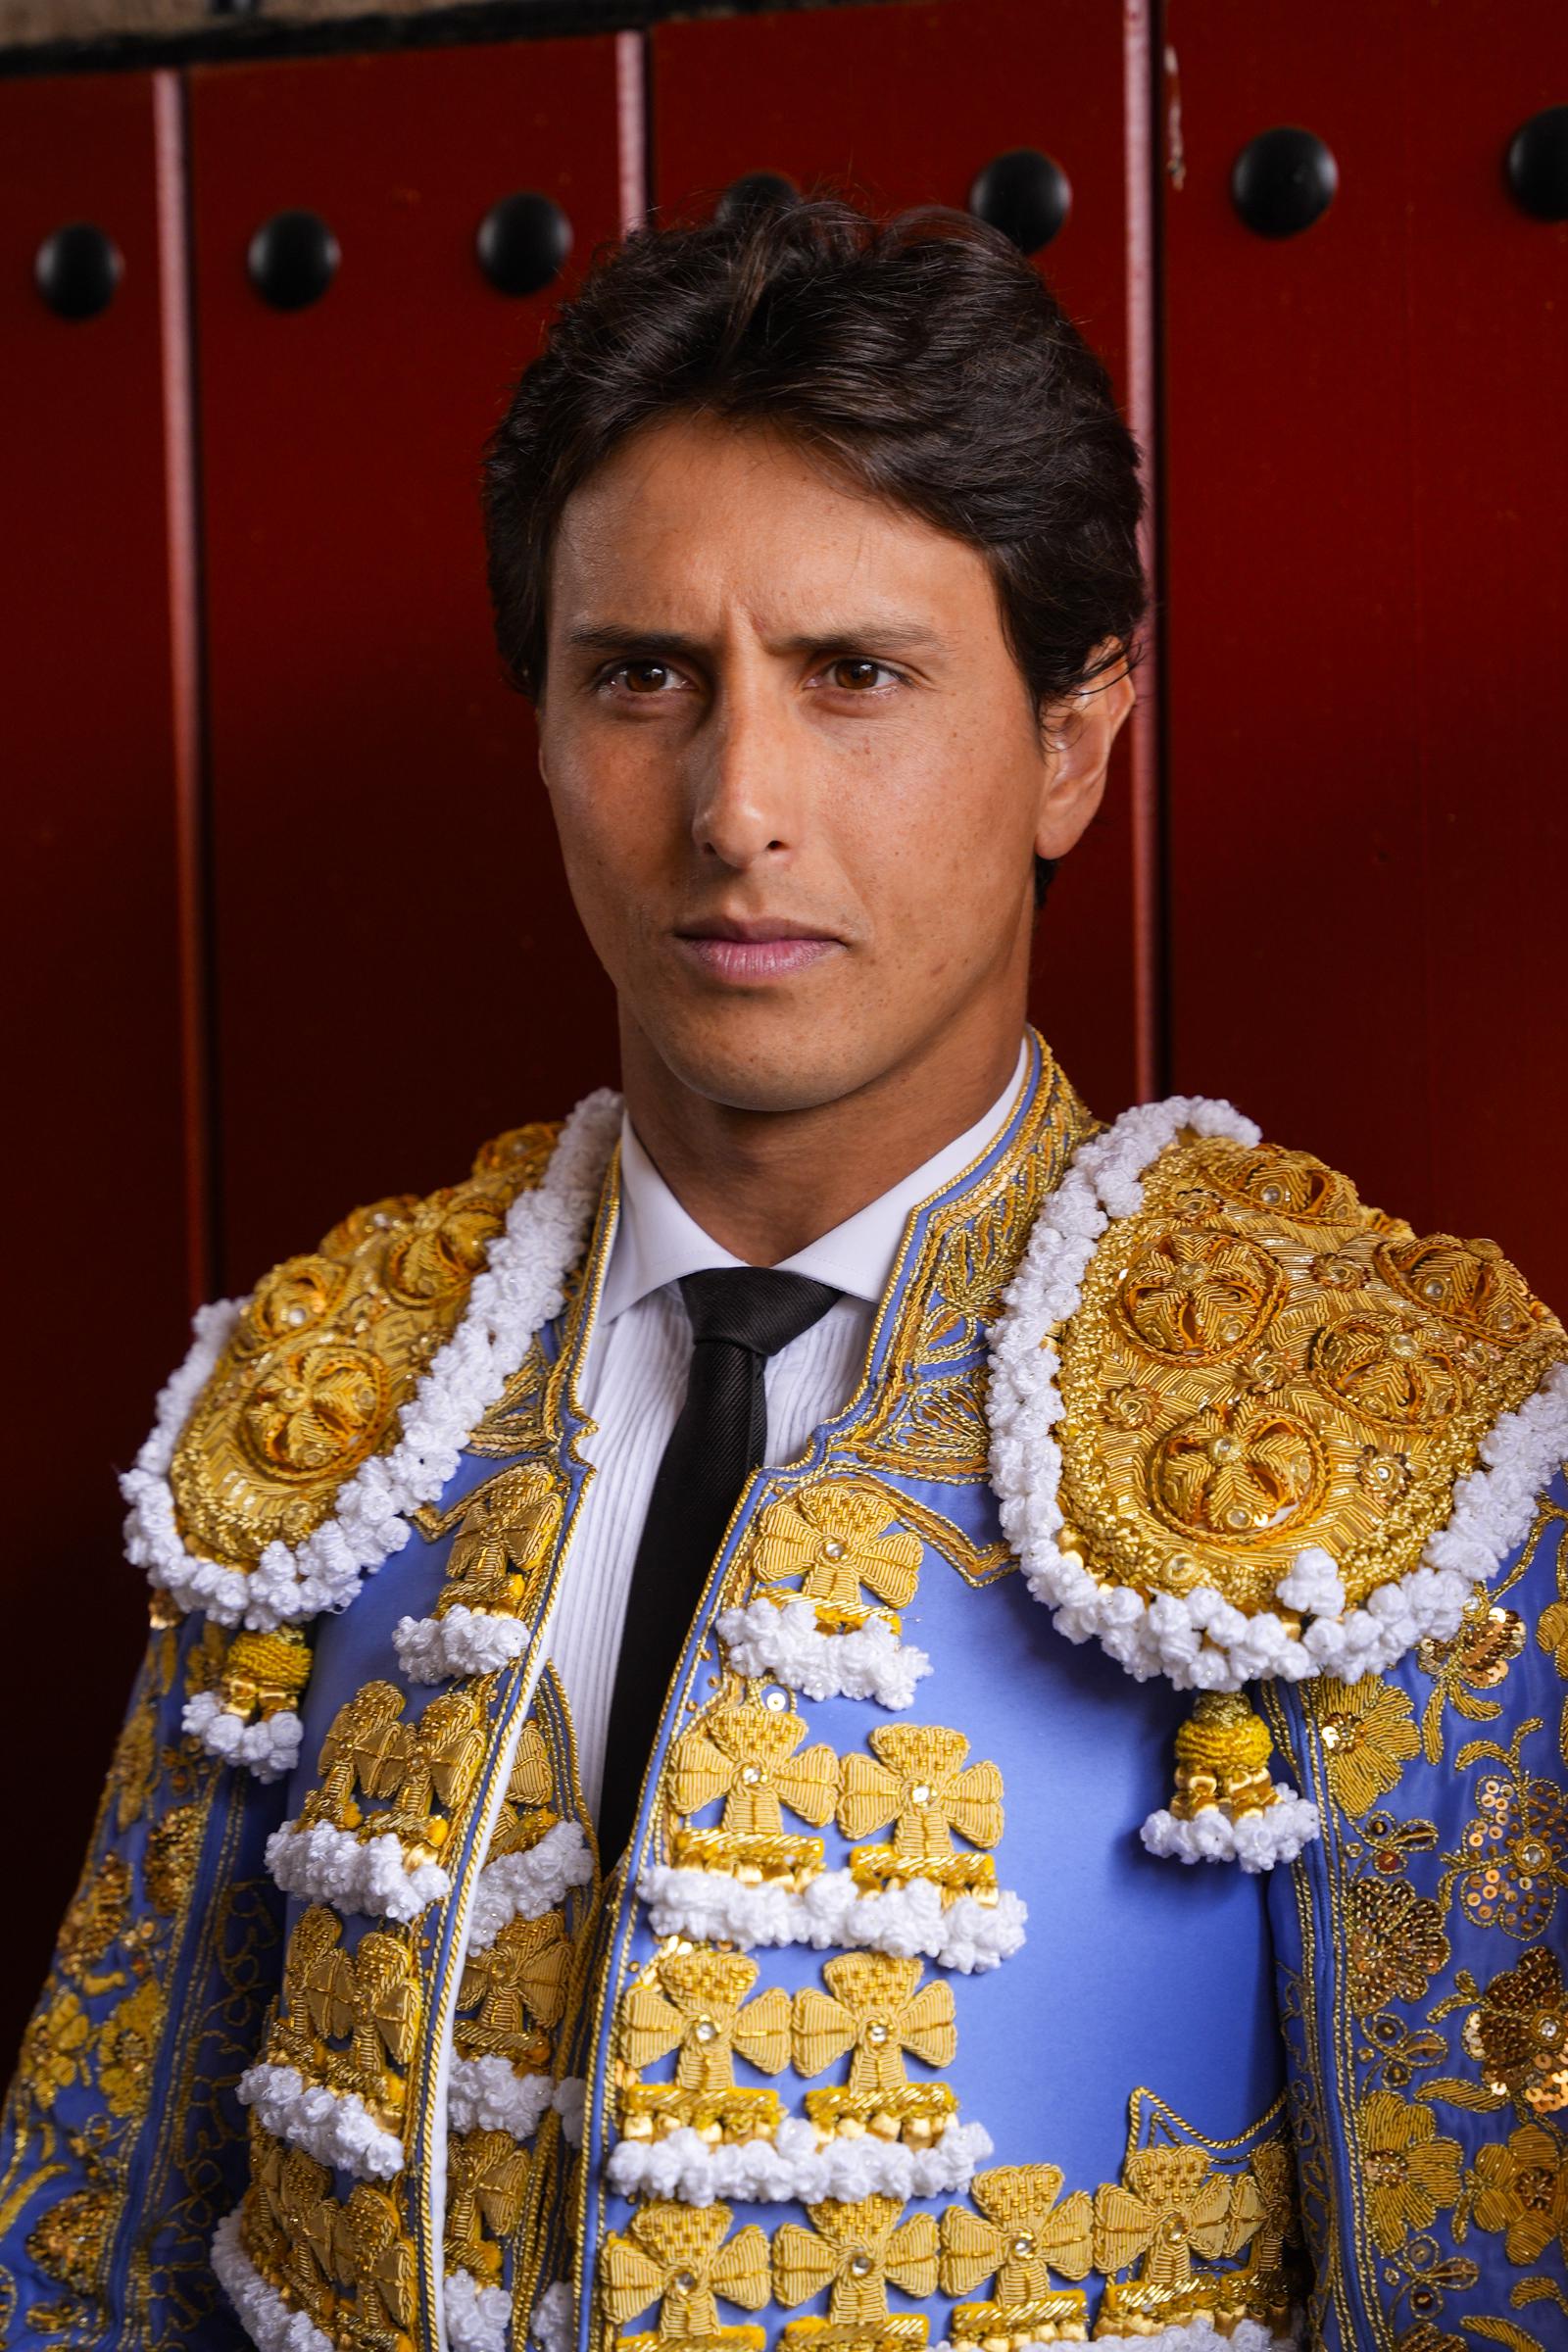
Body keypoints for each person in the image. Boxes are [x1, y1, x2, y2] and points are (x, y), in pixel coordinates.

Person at [4, 198, 1565, 2352]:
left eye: (855, 677)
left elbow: (1485, 2287)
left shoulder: (1378, 1443)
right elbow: (88, 2253)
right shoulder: (331, 1395)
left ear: (1071, 736)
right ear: (543, 731)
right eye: (641, 675)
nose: (735, 806)